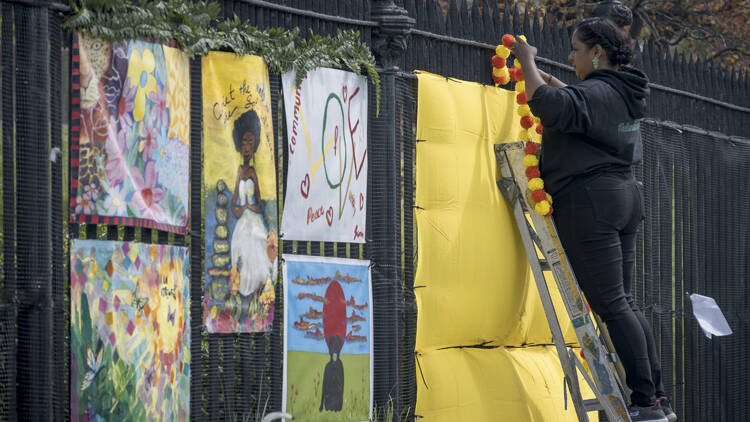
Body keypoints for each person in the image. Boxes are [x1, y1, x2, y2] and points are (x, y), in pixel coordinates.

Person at [511, 18, 676, 422]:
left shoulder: (599, 90)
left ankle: (645, 402)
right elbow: (588, 111)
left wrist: (526, 61)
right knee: (624, 303)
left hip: (591, 201)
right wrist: (558, 83)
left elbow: (548, 106)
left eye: (576, 49)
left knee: (611, 304)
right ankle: (655, 397)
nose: (570, 56)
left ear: (597, 52)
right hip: (623, 195)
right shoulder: (625, 90)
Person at [230, 109, 277, 297]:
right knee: (242, 244)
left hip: (253, 217)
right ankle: (243, 287)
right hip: (243, 218)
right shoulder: (240, 172)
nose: (247, 147)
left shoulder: (253, 174)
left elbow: (259, 204)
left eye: (250, 141)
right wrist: (241, 209)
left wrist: (250, 207)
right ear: (239, 145)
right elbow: (234, 203)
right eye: (244, 142)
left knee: (256, 243)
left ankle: (260, 286)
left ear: (255, 144)